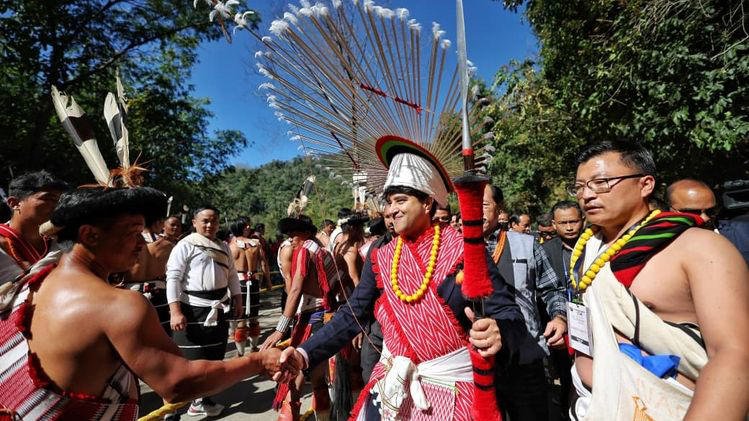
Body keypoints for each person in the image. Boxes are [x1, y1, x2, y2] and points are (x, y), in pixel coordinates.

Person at [275, 147, 529, 421]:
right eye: (389, 202)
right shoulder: (382, 257)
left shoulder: (465, 251)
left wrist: (499, 332)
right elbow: (352, 315)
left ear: (428, 203)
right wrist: (303, 353)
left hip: (456, 394)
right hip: (392, 392)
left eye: (400, 200)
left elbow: (509, 314)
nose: (391, 210)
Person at [0, 187, 281, 420]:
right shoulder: (116, 305)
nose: (141, 244)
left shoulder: (32, 282)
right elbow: (178, 383)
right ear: (90, 235)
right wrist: (257, 361)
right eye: (133, 233)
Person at [569, 141, 749, 419]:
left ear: (645, 185)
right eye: (580, 187)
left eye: (601, 183)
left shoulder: (699, 247)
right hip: (597, 405)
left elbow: (734, 354)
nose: (587, 195)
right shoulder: (587, 249)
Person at [482, 184, 568, 421]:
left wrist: (559, 317)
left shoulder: (526, 244)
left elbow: (552, 289)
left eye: (484, 205)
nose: (475, 212)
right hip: (474, 364)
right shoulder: (451, 249)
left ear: (499, 208)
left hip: (525, 356)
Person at [166, 206, 245, 417]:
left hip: (220, 306)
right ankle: (175, 408)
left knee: (214, 356)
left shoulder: (224, 246)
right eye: (205, 221)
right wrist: (175, 311)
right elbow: (173, 278)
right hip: (192, 308)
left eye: (214, 221)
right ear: (194, 222)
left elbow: (232, 276)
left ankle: (203, 400)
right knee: (191, 358)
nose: (210, 225)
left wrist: (238, 300)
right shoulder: (185, 245)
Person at [260, 214, 338, 420]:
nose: (291, 240)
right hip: (327, 315)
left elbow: (295, 290)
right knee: (319, 379)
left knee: (294, 373)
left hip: (312, 317)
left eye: (294, 235)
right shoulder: (324, 251)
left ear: (305, 234)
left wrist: (280, 329)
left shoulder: (305, 252)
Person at [542, 200, 584, 418]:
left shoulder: (596, 244)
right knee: (565, 374)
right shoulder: (544, 251)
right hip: (560, 323)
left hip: (590, 320)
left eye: (574, 221)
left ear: (583, 220)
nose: (569, 227)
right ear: (553, 224)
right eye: (563, 223)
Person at [1, 171, 67, 283]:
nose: (56, 206)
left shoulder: (62, 240)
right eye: (48, 199)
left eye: (59, 201)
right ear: (15, 203)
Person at [128, 215, 183, 334]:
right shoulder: (169, 246)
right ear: (159, 223)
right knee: (160, 334)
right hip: (159, 294)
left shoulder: (129, 242)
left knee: (133, 335)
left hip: (131, 293)